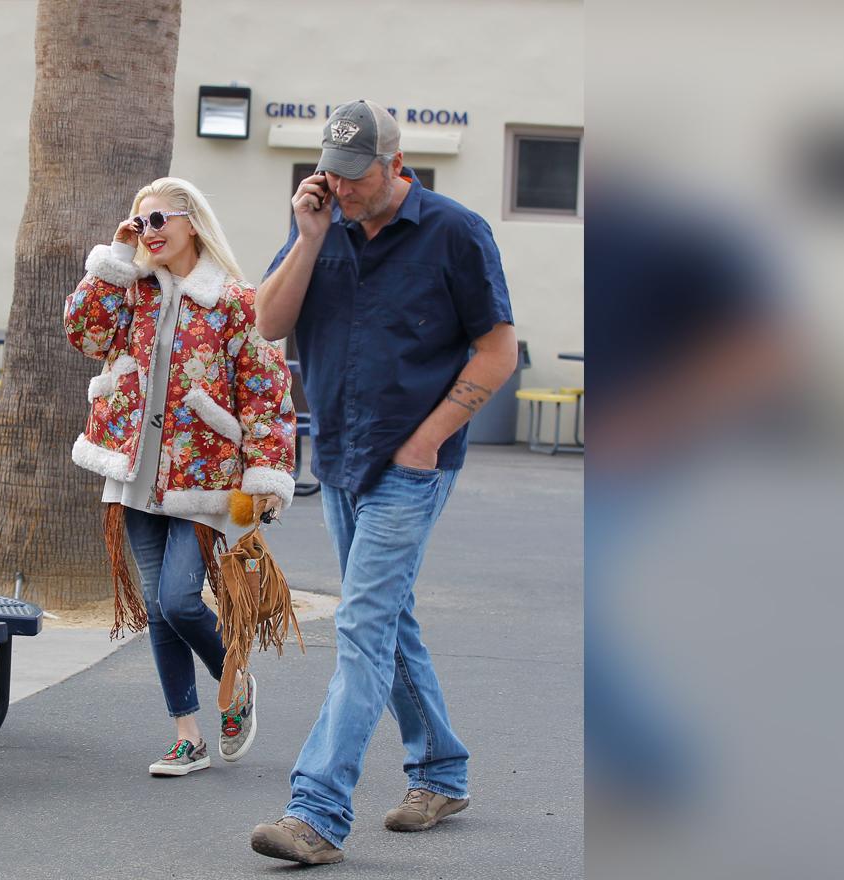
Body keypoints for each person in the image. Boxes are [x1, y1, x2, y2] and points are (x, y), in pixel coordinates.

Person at [247, 101, 518, 864]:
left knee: (362, 629)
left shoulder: (455, 232)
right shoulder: (320, 226)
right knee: (389, 621)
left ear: (396, 165)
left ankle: (317, 811)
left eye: (356, 176)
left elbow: (496, 351)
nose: (342, 188)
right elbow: (268, 324)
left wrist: (428, 441)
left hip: (410, 465)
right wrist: (305, 238)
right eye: (330, 173)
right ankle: (440, 769)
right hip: (337, 457)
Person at [64, 177, 297, 777]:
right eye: (143, 223)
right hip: (135, 468)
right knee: (157, 605)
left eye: (163, 219)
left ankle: (234, 680)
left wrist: (265, 476)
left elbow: (268, 396)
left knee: (178, 598)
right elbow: (84, 334)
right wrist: (114, 262)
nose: (152, 232)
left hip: (204, 473)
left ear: (194, 223)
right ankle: (188, 735)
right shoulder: (131, 290)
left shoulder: (238, 301)